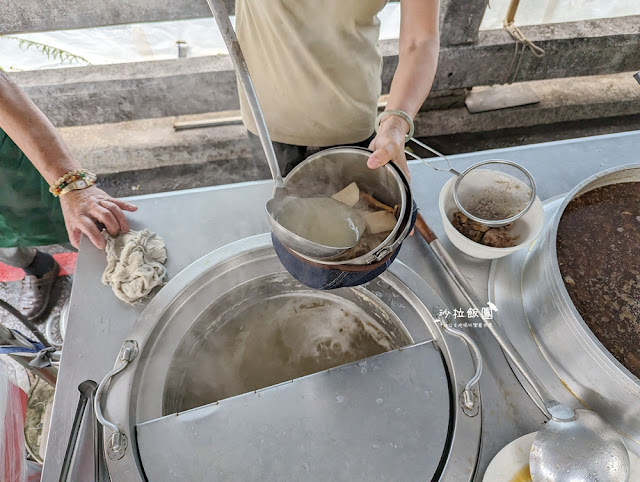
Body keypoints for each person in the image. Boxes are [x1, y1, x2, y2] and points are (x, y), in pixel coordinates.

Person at [236, 0, 440, 179]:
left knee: (358, 213)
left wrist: (395, 124)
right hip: (267, 115)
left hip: (350, 118)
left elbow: (420, 40)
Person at [0, 72, 137, 320]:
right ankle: (37, 266)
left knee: (76, 224)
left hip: (9, 172)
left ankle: (121, 262)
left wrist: (72, 185)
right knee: (4, 242)